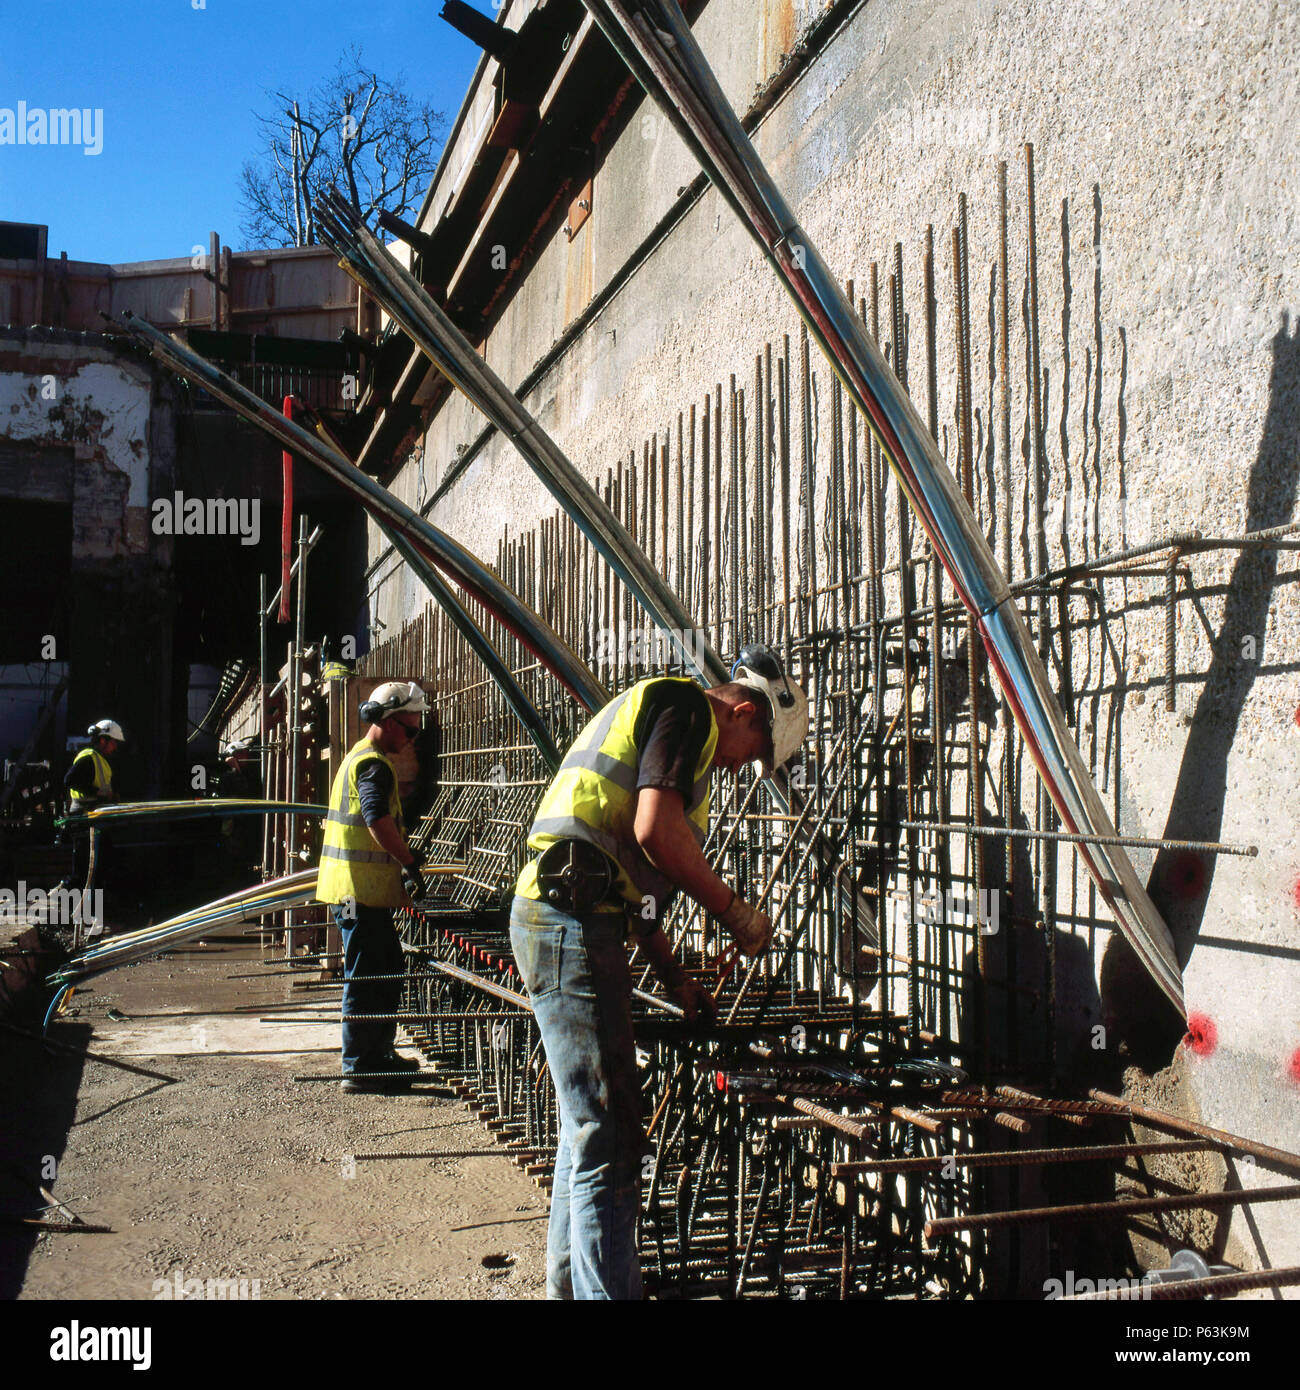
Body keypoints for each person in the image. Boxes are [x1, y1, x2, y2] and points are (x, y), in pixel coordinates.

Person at [509, 644, 809, 1299]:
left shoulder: (674, 744)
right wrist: (736, 913)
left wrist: (675, 977)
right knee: (611, 1131)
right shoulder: (686, 709)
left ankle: (571, 1286)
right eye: (753, 751)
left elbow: (639, 887)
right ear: (744, 712)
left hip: (568, 913)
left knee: (588, 1124)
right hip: (571, 918)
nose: (742, 768)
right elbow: (655, 832)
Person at [316, 682, 429, 1095]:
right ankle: (361, 1066)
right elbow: (376, 818)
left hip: (353, 893)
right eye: (409, 730)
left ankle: (377, 1054)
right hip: (355, 894)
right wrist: (410, 860)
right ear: (385, 720)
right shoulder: (373, 765)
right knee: (367, 973)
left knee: (383, 967)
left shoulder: (361, 759)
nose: (412, 738)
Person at [64, 719, 123, 813]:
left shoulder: (100, 759)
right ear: (103, 740)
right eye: (114, 742)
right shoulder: (89, 757)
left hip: (93, 810)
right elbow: (69, 780)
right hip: (82, 812)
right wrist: (96, 792)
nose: (115, 747)